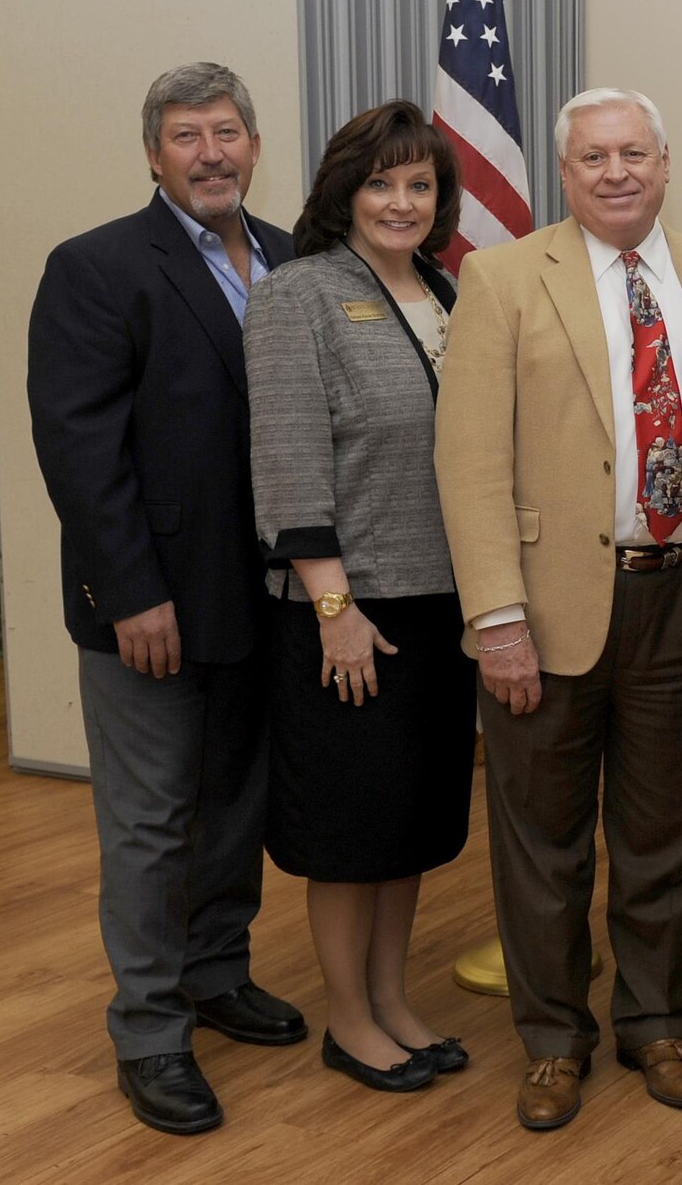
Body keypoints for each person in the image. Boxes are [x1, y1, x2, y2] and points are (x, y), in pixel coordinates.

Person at [435, 88, 682, 1130]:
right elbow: (469, 463)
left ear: (665, 161)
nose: (614, 172)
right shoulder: (502, 275)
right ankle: (553, 1039)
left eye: (632, 153)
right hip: (549, 601)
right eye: (591, 158)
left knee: (667, 828)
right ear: (563, 175)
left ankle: (655, 1020)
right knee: (541, 838)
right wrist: (497, 619)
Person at [27, 62, 306, 1135]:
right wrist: (129, 592)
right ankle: (148, 1026)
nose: (211, 153)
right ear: (154, 154)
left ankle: (214, 969)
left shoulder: (289, 256)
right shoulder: (98, 267)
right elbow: (80, 450)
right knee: (149, 823)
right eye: (186, 136)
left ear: (253, 143)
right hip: (151, 606)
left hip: (267, 595)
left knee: (236, 800)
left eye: (227, 132)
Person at [243, 100, 474, 1093]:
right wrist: (334, 610)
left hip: (441, 606)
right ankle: (348, 1017)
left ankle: (392, 998)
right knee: (348, 830)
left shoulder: (447, 290)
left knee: (409, 821)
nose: (400, 200)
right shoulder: (297, 295)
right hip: (348, 612)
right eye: (380, 181)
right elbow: (289, 463)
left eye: (419, 183)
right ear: (344, 191)